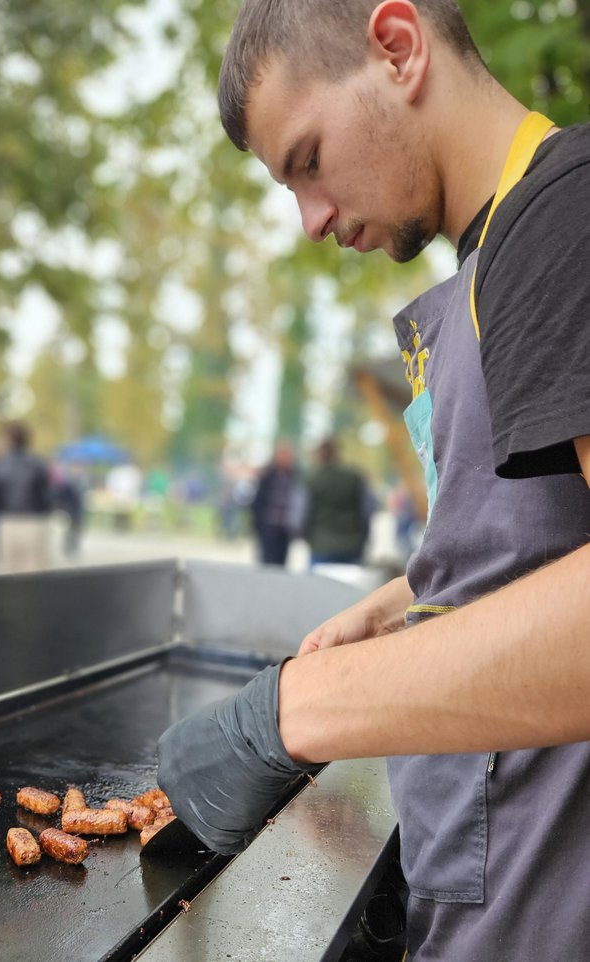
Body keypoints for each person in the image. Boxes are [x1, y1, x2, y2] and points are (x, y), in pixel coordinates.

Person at [157, 3, 590, 961]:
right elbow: (550, 535)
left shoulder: (563, 219)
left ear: (397, 48)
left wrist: (292, 712)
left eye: (307, 160)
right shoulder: (497, 254)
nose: (309, 219)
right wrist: (407, 597)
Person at [0, 422, 52, 573]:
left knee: (9, 571)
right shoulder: (38, 464)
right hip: (34, 521)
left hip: (8, 521)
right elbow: (47, 496)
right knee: (35, 571)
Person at [303, 437, 374, 566]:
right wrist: (364, 537)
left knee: (318, 585)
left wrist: (306, 536)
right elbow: (366, 510)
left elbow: (303, 512)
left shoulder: (312, 479)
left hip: (321, 544)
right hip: (352, 544)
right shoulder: (354, 477)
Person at [249, 440, 302, 565]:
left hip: (285, 527)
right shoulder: (267, 475)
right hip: (268, 526)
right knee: (267, 561)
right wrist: (258, 524)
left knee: (281, 563)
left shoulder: (295, 476)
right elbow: (258, 501)